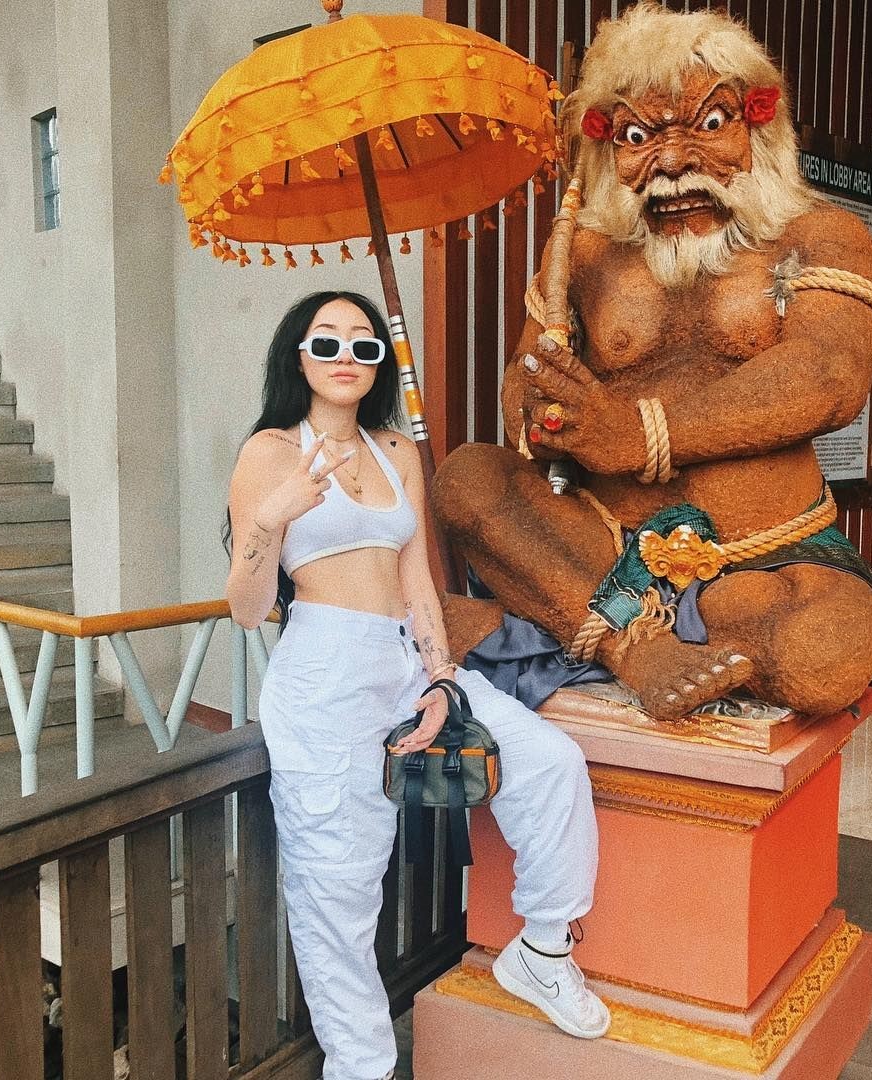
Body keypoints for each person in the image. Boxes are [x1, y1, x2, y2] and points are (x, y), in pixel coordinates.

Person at [224, 290, 609, 1080]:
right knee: (340, 888)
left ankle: (542, 950)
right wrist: (269, 519)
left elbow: (419, 583)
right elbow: (247, 609)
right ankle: (360, 1066)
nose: (345, 357)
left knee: (549, 764)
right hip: (324, 674)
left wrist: (441, 679)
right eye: (326, 342)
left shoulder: (397, 451)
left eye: (364, 345)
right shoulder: (271, 450)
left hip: (404, 660)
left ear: (380, 365)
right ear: (297, 354)